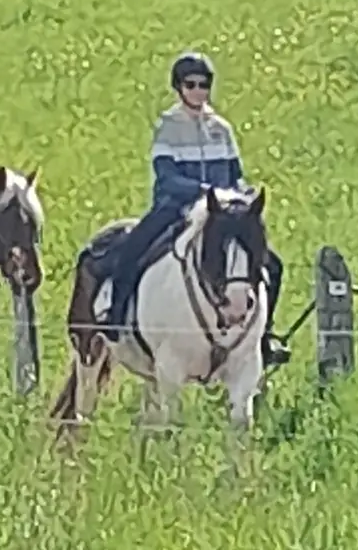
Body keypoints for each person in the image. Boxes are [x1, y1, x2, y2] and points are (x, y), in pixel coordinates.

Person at [102, 52, 291, 363]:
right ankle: (117, 317)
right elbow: (166, 177)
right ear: (178, 87)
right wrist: (205, 191)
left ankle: (263, 336)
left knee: (272, 264)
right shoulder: (168, 126)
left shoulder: (222, 128)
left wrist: (242, 196)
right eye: (190, 84)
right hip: (175, 207)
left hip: (222, 213)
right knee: (133, 247)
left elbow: (235, 174)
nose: (198, 91)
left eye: (204, 85)